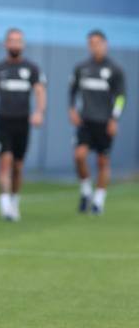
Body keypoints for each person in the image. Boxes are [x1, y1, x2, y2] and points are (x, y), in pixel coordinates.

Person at [0, 28, 46, 221]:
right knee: (4, 163)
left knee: (18, 166)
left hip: (22, 123)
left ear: (22, 44)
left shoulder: (31, 68)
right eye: (12, 40)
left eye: (18, 41)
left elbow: (40, 91)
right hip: (3, 122)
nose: (15, 44)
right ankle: (5, 205)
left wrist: (39, 112)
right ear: (5, 43)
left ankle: (14, 201)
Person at [69, 30, 126, 215]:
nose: (94, 46)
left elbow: (120, 97)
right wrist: (72, 109)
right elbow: (72, 91)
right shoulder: (81, 68)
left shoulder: (115, 70)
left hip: (104, 122)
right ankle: (86, 190)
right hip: (85, 121)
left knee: (102, 161)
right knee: (79, 156)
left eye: (97, 43)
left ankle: (98, 201)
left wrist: (114, 119)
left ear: (105, 44)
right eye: (91, 43)